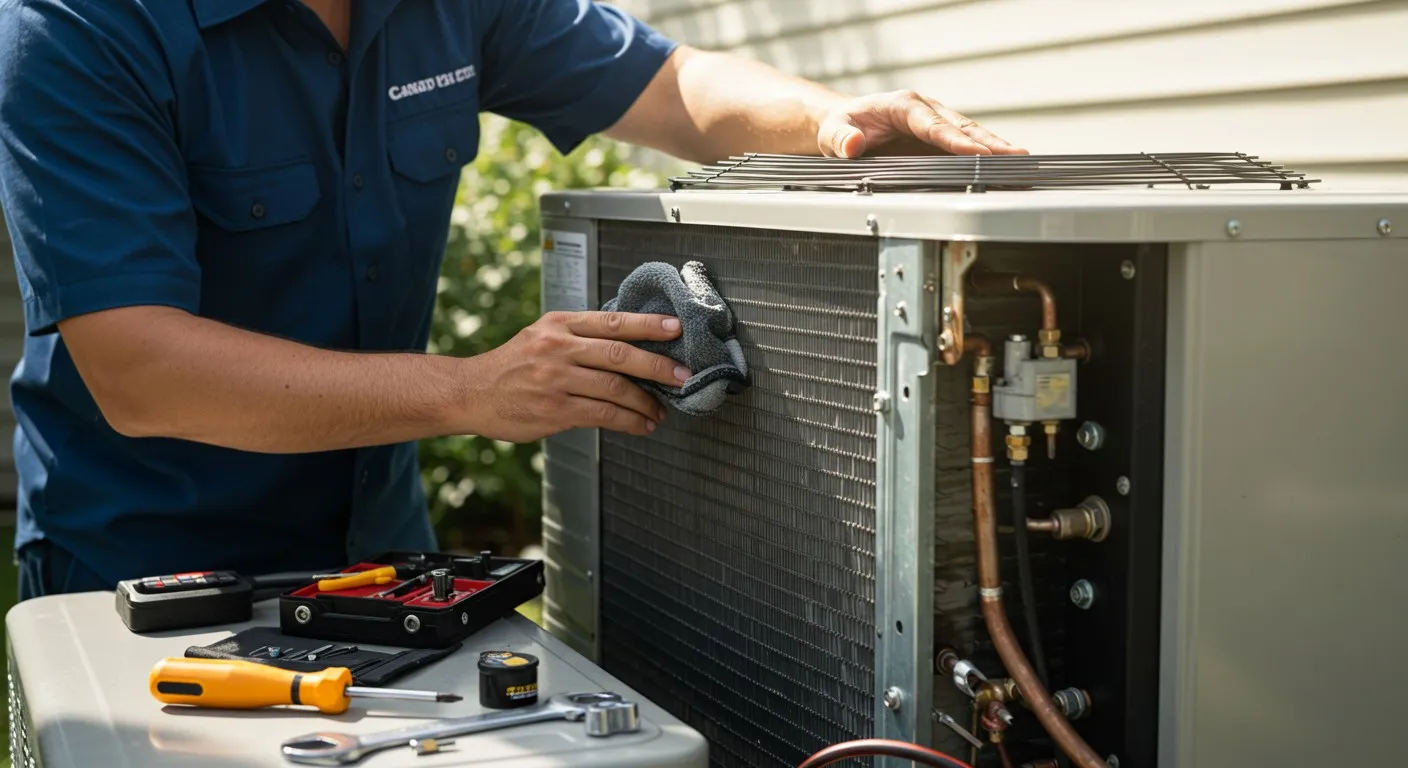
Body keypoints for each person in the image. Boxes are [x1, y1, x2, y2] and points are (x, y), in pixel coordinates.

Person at [0, 0, 1026, 600]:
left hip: (375, 553)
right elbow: (140, 370)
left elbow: (663, 85)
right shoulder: (75, 30)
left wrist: (828, 120)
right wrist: (470, 392)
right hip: (150, 570)